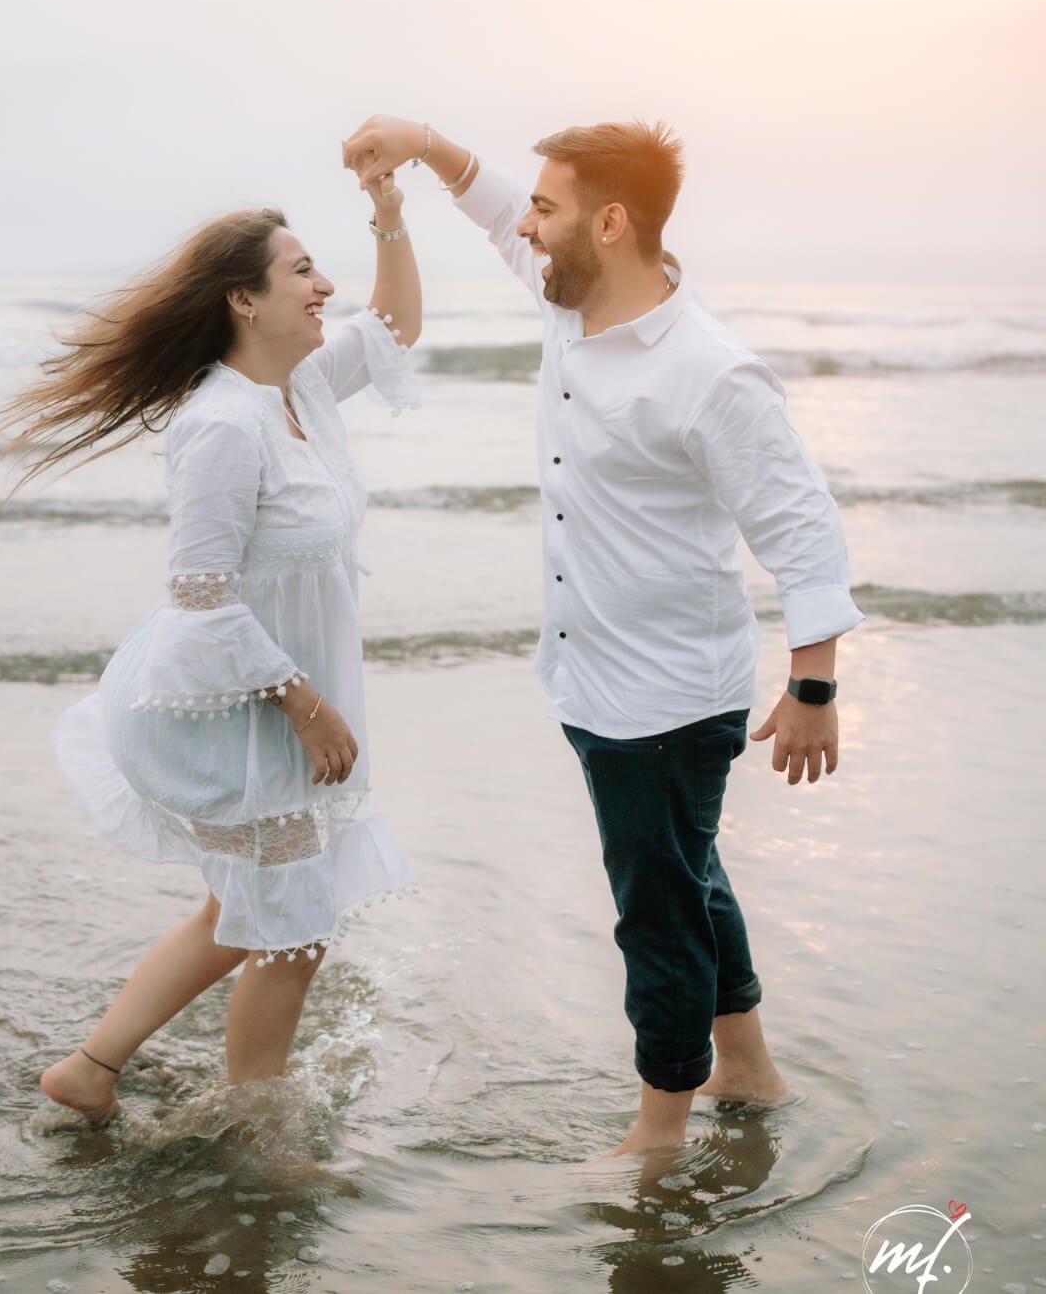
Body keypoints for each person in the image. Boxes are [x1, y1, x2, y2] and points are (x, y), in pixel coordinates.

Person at [340, 113, 863, 1158]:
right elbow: (493, 213)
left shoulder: (709, 372)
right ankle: (748, 1069)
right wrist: (423, 141)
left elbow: (798, 527)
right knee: (687, 872)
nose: (526, 228)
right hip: (592, 672)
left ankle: (658, 1136)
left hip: (666, 695)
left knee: (655, 912)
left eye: (548, 207)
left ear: (610, 223)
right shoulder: (569, 302)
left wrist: (813, 689)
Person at [0, 168, 422, 1125]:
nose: (325, 288)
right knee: (291, 925)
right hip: (229, 709)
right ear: (244, 300)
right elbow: (199, 595)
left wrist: (390, 218)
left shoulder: (300, 385)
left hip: (273, 706)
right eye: (302, 272)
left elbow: (393, 327)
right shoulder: (223, 424)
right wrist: (303, 704)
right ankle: (255, 1125)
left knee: (257, 915)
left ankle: (90, 1071)